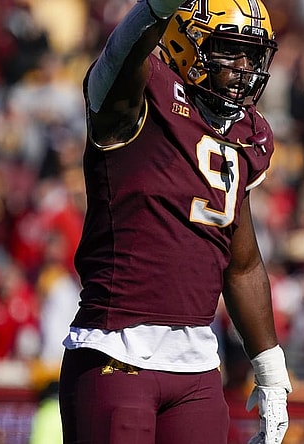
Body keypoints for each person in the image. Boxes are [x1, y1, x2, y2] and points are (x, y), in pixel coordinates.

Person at [57, 1, 291, 443]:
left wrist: (270, 370)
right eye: (228, 50)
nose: (244, 69)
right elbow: (120, 58)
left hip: (198, 368)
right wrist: (155, 8)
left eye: (252, 55)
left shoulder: (246, 134)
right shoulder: (142, 95)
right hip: (118, 350)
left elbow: (240, 262)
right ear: (186, 42)